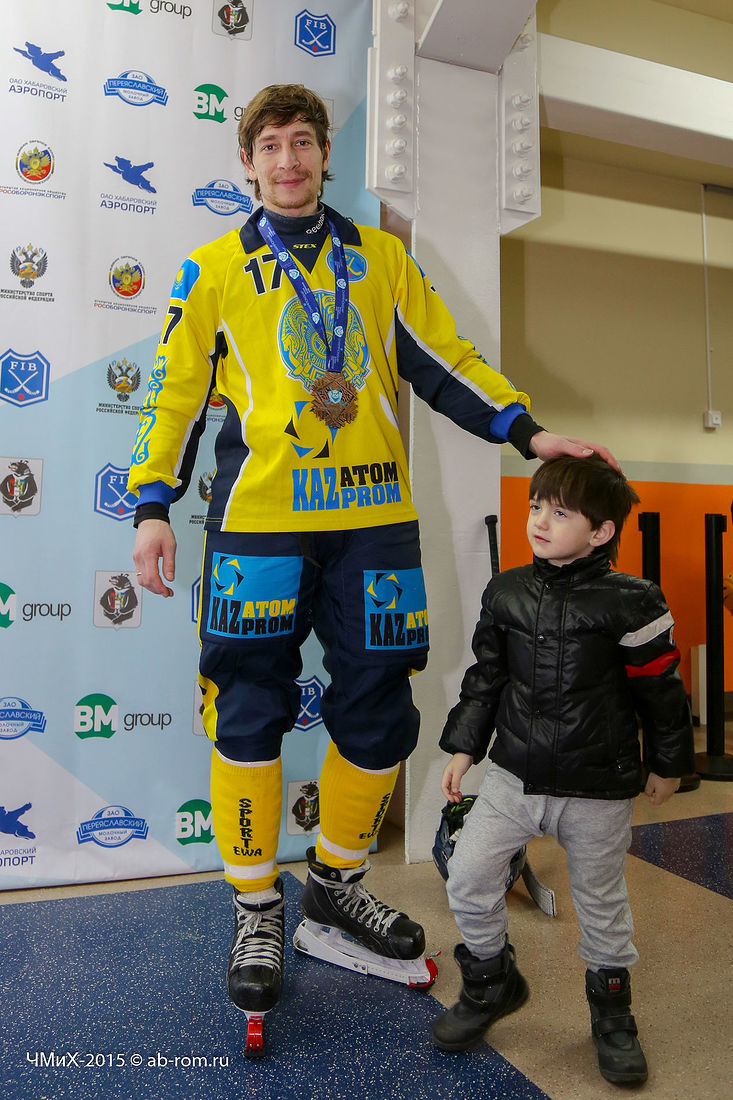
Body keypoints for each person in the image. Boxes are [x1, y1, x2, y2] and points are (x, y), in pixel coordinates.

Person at [128, 83, 616, 1051]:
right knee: (247, 703)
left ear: (324, 155)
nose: (288, 159)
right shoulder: (213, 268)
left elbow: (444, 359)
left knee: (380, 705)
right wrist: (150, 506)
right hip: (258, 526)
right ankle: (257, 905)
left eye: (303, 141)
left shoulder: (381, 260)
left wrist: (527, 431)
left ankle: (336, 885)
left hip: (372, 526)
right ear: (248, 163)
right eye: (271, 144)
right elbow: (176, 395)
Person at [432, 454, 695, 1086]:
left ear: (601, 531)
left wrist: (669, 763)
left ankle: (613, 1014)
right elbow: (486, 678)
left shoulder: (634, 601)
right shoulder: (506, 592)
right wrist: (464, 747)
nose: (539, 522)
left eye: (559, 512)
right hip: (512, 777)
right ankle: (490, 980)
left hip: (597, 785)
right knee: (468, 875)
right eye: (535, 507)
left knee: (601, 902)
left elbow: (661, 690)